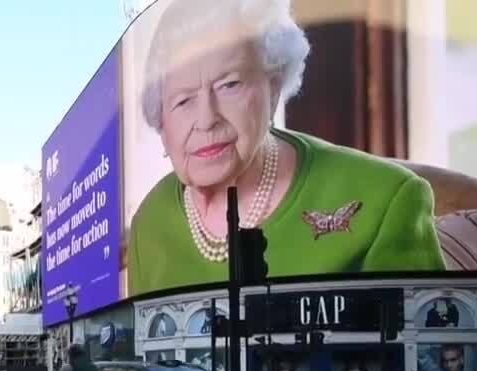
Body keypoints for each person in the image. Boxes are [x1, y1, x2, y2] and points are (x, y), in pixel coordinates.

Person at [126, 0, 445, 298]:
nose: (207, 119)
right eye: (183, 100)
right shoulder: (149, 227)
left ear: (274, 87)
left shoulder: (387, 200)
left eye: (230, 84)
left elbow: (430, 351)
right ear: (161, 121)